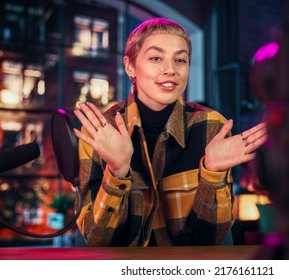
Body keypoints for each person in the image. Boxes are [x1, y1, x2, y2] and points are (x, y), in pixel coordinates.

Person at [73, 17, 267, 246]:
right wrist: (117, 172)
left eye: (180, 60)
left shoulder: (212, 126)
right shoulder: (101, 130)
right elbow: (98, 241)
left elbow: (211, 242)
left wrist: (212, 172)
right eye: (156, 58)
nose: (170, 70)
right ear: (130, 66)